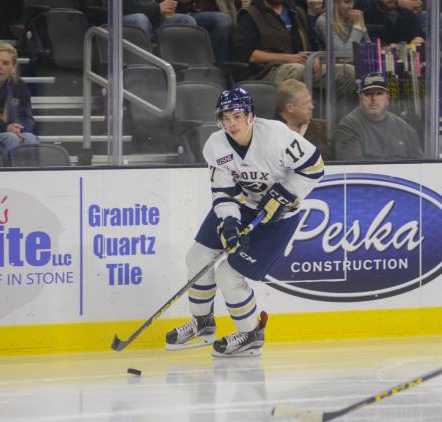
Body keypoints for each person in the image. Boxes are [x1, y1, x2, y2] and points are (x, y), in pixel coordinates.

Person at [166, 88, 324, 357]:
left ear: (251, 116)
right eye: (225, 118)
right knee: (198, 257)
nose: (232, 124)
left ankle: (251, 335)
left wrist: (285, 194)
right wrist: (229, 223)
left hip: (279, 218)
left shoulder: (277, 137)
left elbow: (314, 167)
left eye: (237, 116)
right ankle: (203, 324)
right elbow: (224, 192)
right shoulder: (216, 146)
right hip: (243, 206)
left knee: (229, 273)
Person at [233, 0, 356, 100]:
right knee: (297, 70)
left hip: (303, 65)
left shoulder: (295, 12)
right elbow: (248, 54)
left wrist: (316, 58)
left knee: (347, 71)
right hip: (269, 70)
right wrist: (286, 58)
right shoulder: (250, 14)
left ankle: (334, 121)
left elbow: (312, 44)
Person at [334, 72, 423, 161]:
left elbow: (420, 167)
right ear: (360, 98)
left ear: (387, 99)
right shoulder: (348, 127)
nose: (374, 98)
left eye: (379, 93)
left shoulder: (405, 129)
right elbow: (354, 170)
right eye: (368, 94)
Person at [275, 79, 333, 159]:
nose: (312, 107)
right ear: (290, 108)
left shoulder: (323, 129)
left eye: (311, 101)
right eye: (305, 104)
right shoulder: (268, 133)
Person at [175, 1, 233, 66]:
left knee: (226, 20)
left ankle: (220, 70)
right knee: (222, 20)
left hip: (220, 12)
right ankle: (212, 68)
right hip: (187, 13)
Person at [123, 0, 197, 42]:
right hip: (118, 19)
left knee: (186, 20)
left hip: (152, 16)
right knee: (140, 19)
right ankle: (146, 61)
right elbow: (126, 7)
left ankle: (189, 63)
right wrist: (157, 9)